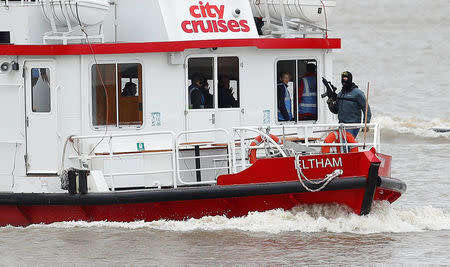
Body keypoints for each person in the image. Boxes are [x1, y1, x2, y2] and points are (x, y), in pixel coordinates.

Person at [327, 71, 371, 137]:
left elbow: (366, 109)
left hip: (352, 126)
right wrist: (330, 104)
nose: (343, 80)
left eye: (345, 78)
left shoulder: (358, 93)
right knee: (340, 144)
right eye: (342, 78)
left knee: (346, 145)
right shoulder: (340, 94)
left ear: (350, 79)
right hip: (341, 125)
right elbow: (336, 111)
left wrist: (366, 124)